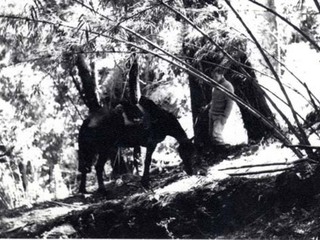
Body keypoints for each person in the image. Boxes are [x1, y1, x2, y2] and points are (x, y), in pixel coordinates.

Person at [208, 68, 234, 146]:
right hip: (212, 114)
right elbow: (215, 99)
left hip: (220, 116)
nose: (214, 79)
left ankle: (224, 150)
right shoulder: (215, 86)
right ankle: (216, 153)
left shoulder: (227, 86)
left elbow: (230, 103)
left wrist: (225, 117)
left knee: (217, 136)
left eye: (216, 76)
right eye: (213, 77)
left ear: (221, 75)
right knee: (211, 136)